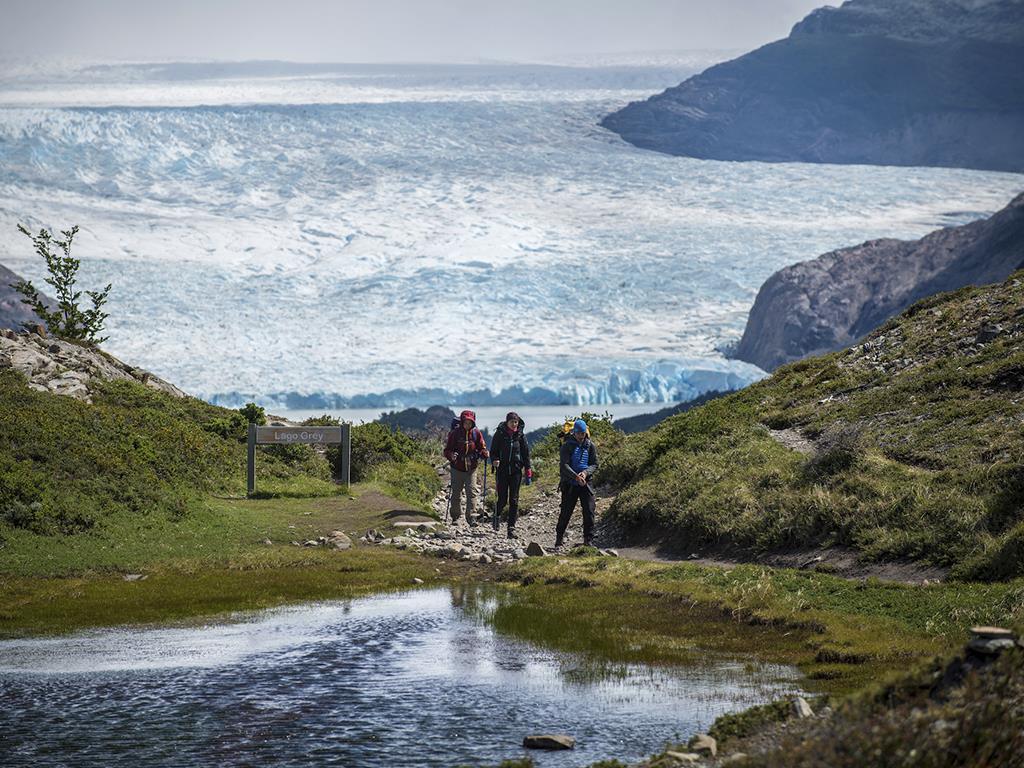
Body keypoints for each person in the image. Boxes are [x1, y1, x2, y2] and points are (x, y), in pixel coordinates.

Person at [489, 411, 532, 539]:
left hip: (516, 471)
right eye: (512, 422)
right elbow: (493, 451)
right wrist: (495, 459)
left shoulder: (520, 436)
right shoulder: (500, 434)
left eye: (516, 422)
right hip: (502, 471)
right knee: (502, 499)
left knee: (514, 500)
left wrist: (528, 469)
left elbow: (526, 453)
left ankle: (511, 528)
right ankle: (496, 515)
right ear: (507, 422)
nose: (514, 424)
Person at [556, 418, 598, 548]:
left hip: (586, 482)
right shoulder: (567, 446)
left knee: (589, 510)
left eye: (583, 433)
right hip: (570, 483)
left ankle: (588, 539)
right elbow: (564, 466)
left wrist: (585, 473)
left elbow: (594, 464)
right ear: (574, 432)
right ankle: (559, 538)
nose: (581, 436)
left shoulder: (590, 445)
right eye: (579, 433)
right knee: (566, 512)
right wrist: (576, 477)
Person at [443, 409, 489, 525]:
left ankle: (471, 518)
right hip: (457, 467)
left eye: (470, 423)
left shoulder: (476, 433)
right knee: (456, 492)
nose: (468, 425)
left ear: (473, 423)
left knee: (471, 492)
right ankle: (455, 517)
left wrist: (484, 452)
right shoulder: (455, 434)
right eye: (466, 422)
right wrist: (451, 456)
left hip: (471, 468)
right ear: (462, 421)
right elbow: (447, 450)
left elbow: (481, 447)